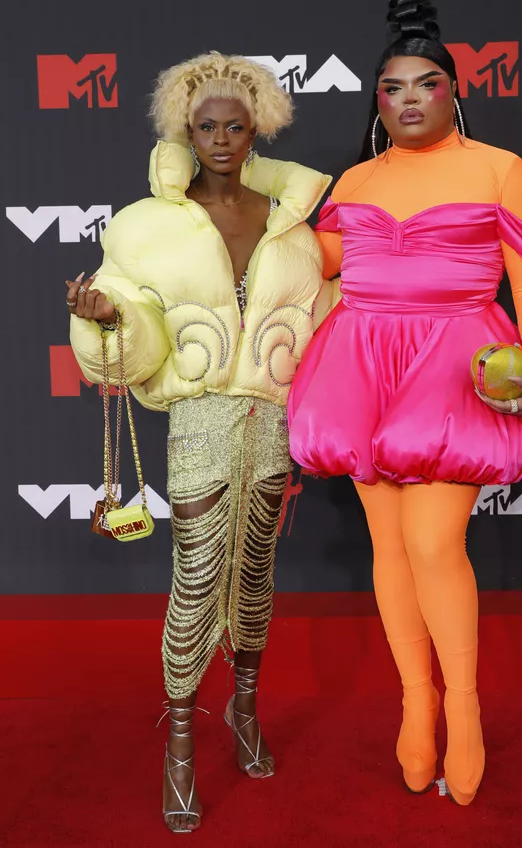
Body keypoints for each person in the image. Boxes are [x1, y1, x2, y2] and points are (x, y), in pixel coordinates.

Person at [288, 0, 522, 806]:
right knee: (390, 548)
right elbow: (306, 268)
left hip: (454, 365)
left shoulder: (500, 169)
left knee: (434, 543)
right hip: (361, 365)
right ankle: (418, 703)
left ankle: (466, 709)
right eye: (393, 88)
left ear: (453, 91)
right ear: (377, 102)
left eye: (426, 84)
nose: (409, 99)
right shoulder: (355, 179)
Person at [66, 51, 331, 833]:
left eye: (235, 126)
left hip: (270, 423)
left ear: (256, 131)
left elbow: (318, 320)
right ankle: (180, 745)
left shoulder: (289, 223)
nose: (220, 139)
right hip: (198, 421)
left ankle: (244, 710)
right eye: (206, 126)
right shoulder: (148, 226)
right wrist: (109, 317)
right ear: (186, 130)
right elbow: (138, 319)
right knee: (194, 579)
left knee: (255, 576)